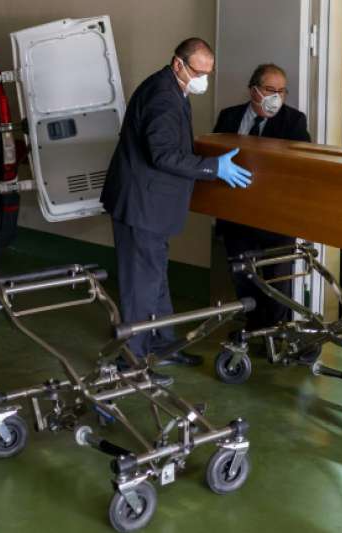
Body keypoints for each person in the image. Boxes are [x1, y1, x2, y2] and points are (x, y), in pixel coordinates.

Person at [100, 38, 252, 383]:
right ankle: (132, 362)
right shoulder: (162, 97)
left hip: (152, 205)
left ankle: (162, 345)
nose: (203, 80)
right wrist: (212, 167)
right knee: (141, 285)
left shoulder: (173, 87)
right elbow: (163, 155)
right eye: (198, 72)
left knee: (156, 278)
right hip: (141, 205)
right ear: (178, 64)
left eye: (208, 73)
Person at [212, 64, 311, 349]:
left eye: (282, 91)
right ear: (253, 90)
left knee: (279, 278)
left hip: (275, 218)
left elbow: (301, 165)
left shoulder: (294, 121)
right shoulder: (229, 116)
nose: (276, 97)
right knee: (243, 275)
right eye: (270, 89)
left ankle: (277, 336)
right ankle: (254, 329)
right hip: (236, 216)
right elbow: (213, 156)